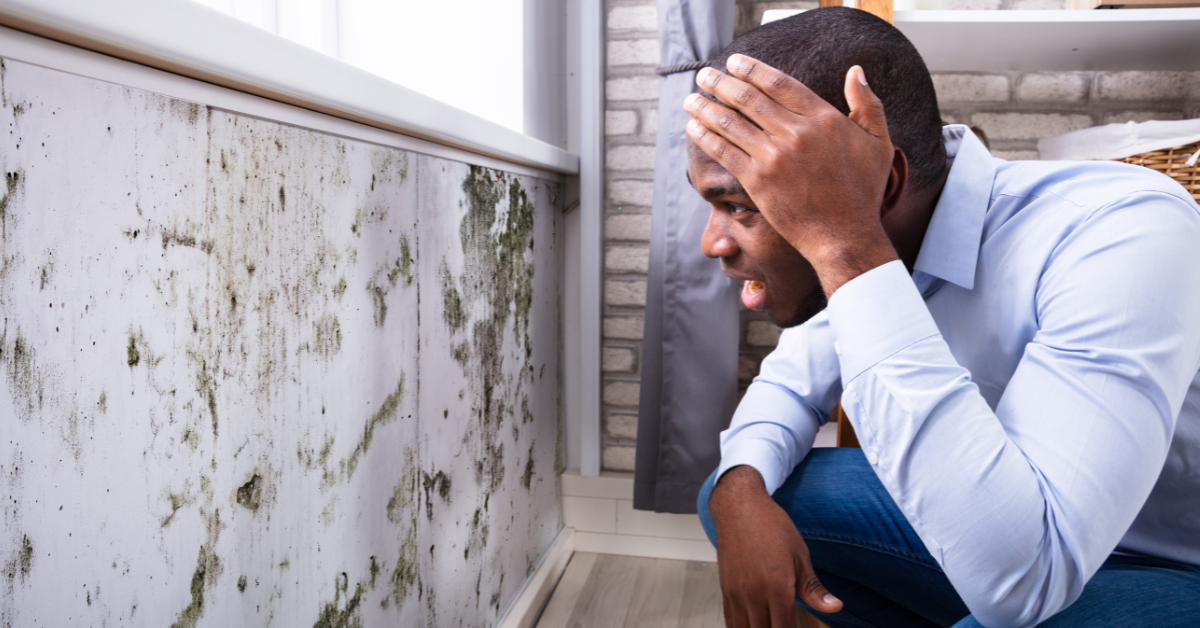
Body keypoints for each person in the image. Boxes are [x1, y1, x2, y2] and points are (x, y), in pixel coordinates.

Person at [684, 8, 1200, 628]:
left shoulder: (1121, 228)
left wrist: (846, 245)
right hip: (1013, 545)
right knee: (737, 490)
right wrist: (739, 495)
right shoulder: (883, 237)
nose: (712, 243)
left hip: (1160, 564)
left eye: (739, 207)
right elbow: (788, 386)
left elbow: (1030, 583)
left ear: (880, 185)